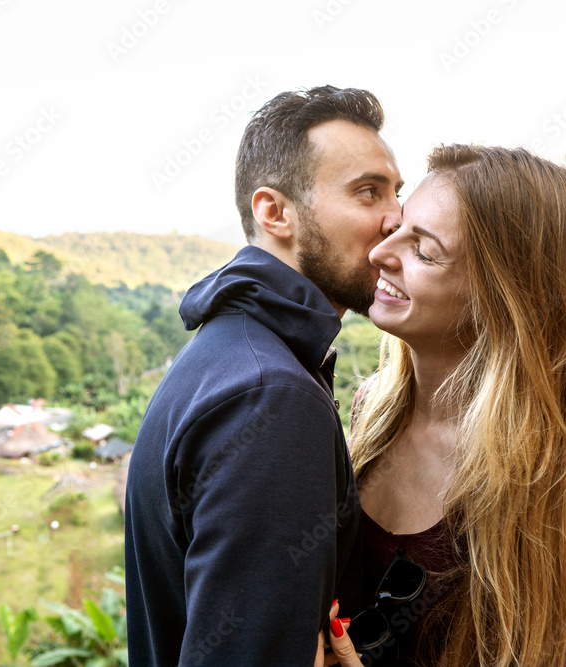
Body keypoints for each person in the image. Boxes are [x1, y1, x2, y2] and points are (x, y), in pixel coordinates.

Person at [324, 145, 566, 667]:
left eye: (425, 251)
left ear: (509, 297)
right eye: (397, 229)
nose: (381, 254)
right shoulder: (369, 409)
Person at [124, 85, 403, 666]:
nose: (396, 219)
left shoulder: (232, 354)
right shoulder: (269, 397)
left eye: (396, 194)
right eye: (368, 192)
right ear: (275, 212)